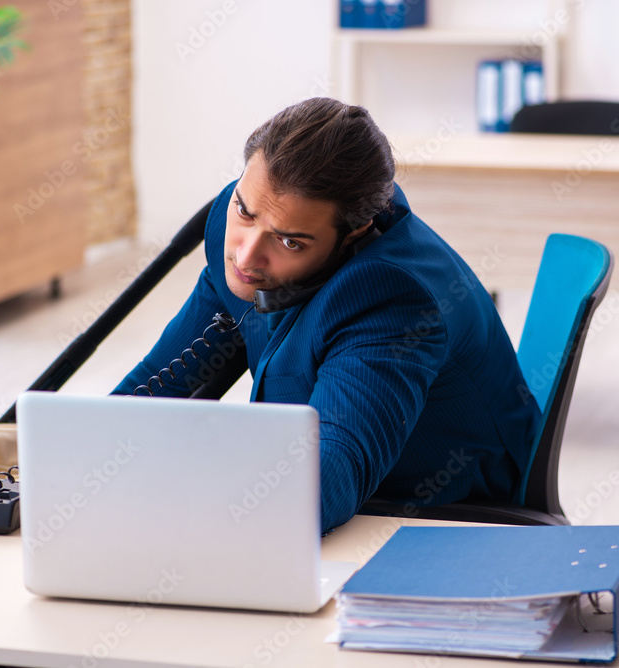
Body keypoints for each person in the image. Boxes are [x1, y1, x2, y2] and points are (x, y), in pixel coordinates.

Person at [114, 97, 540, 532]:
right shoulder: (246, 222)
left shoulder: (390, 299)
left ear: (352, 235)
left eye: (290, 242)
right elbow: (158, 382)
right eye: (245, 211)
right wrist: (85, 466)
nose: (245, 255)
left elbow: (327, 476)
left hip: (438, 519)